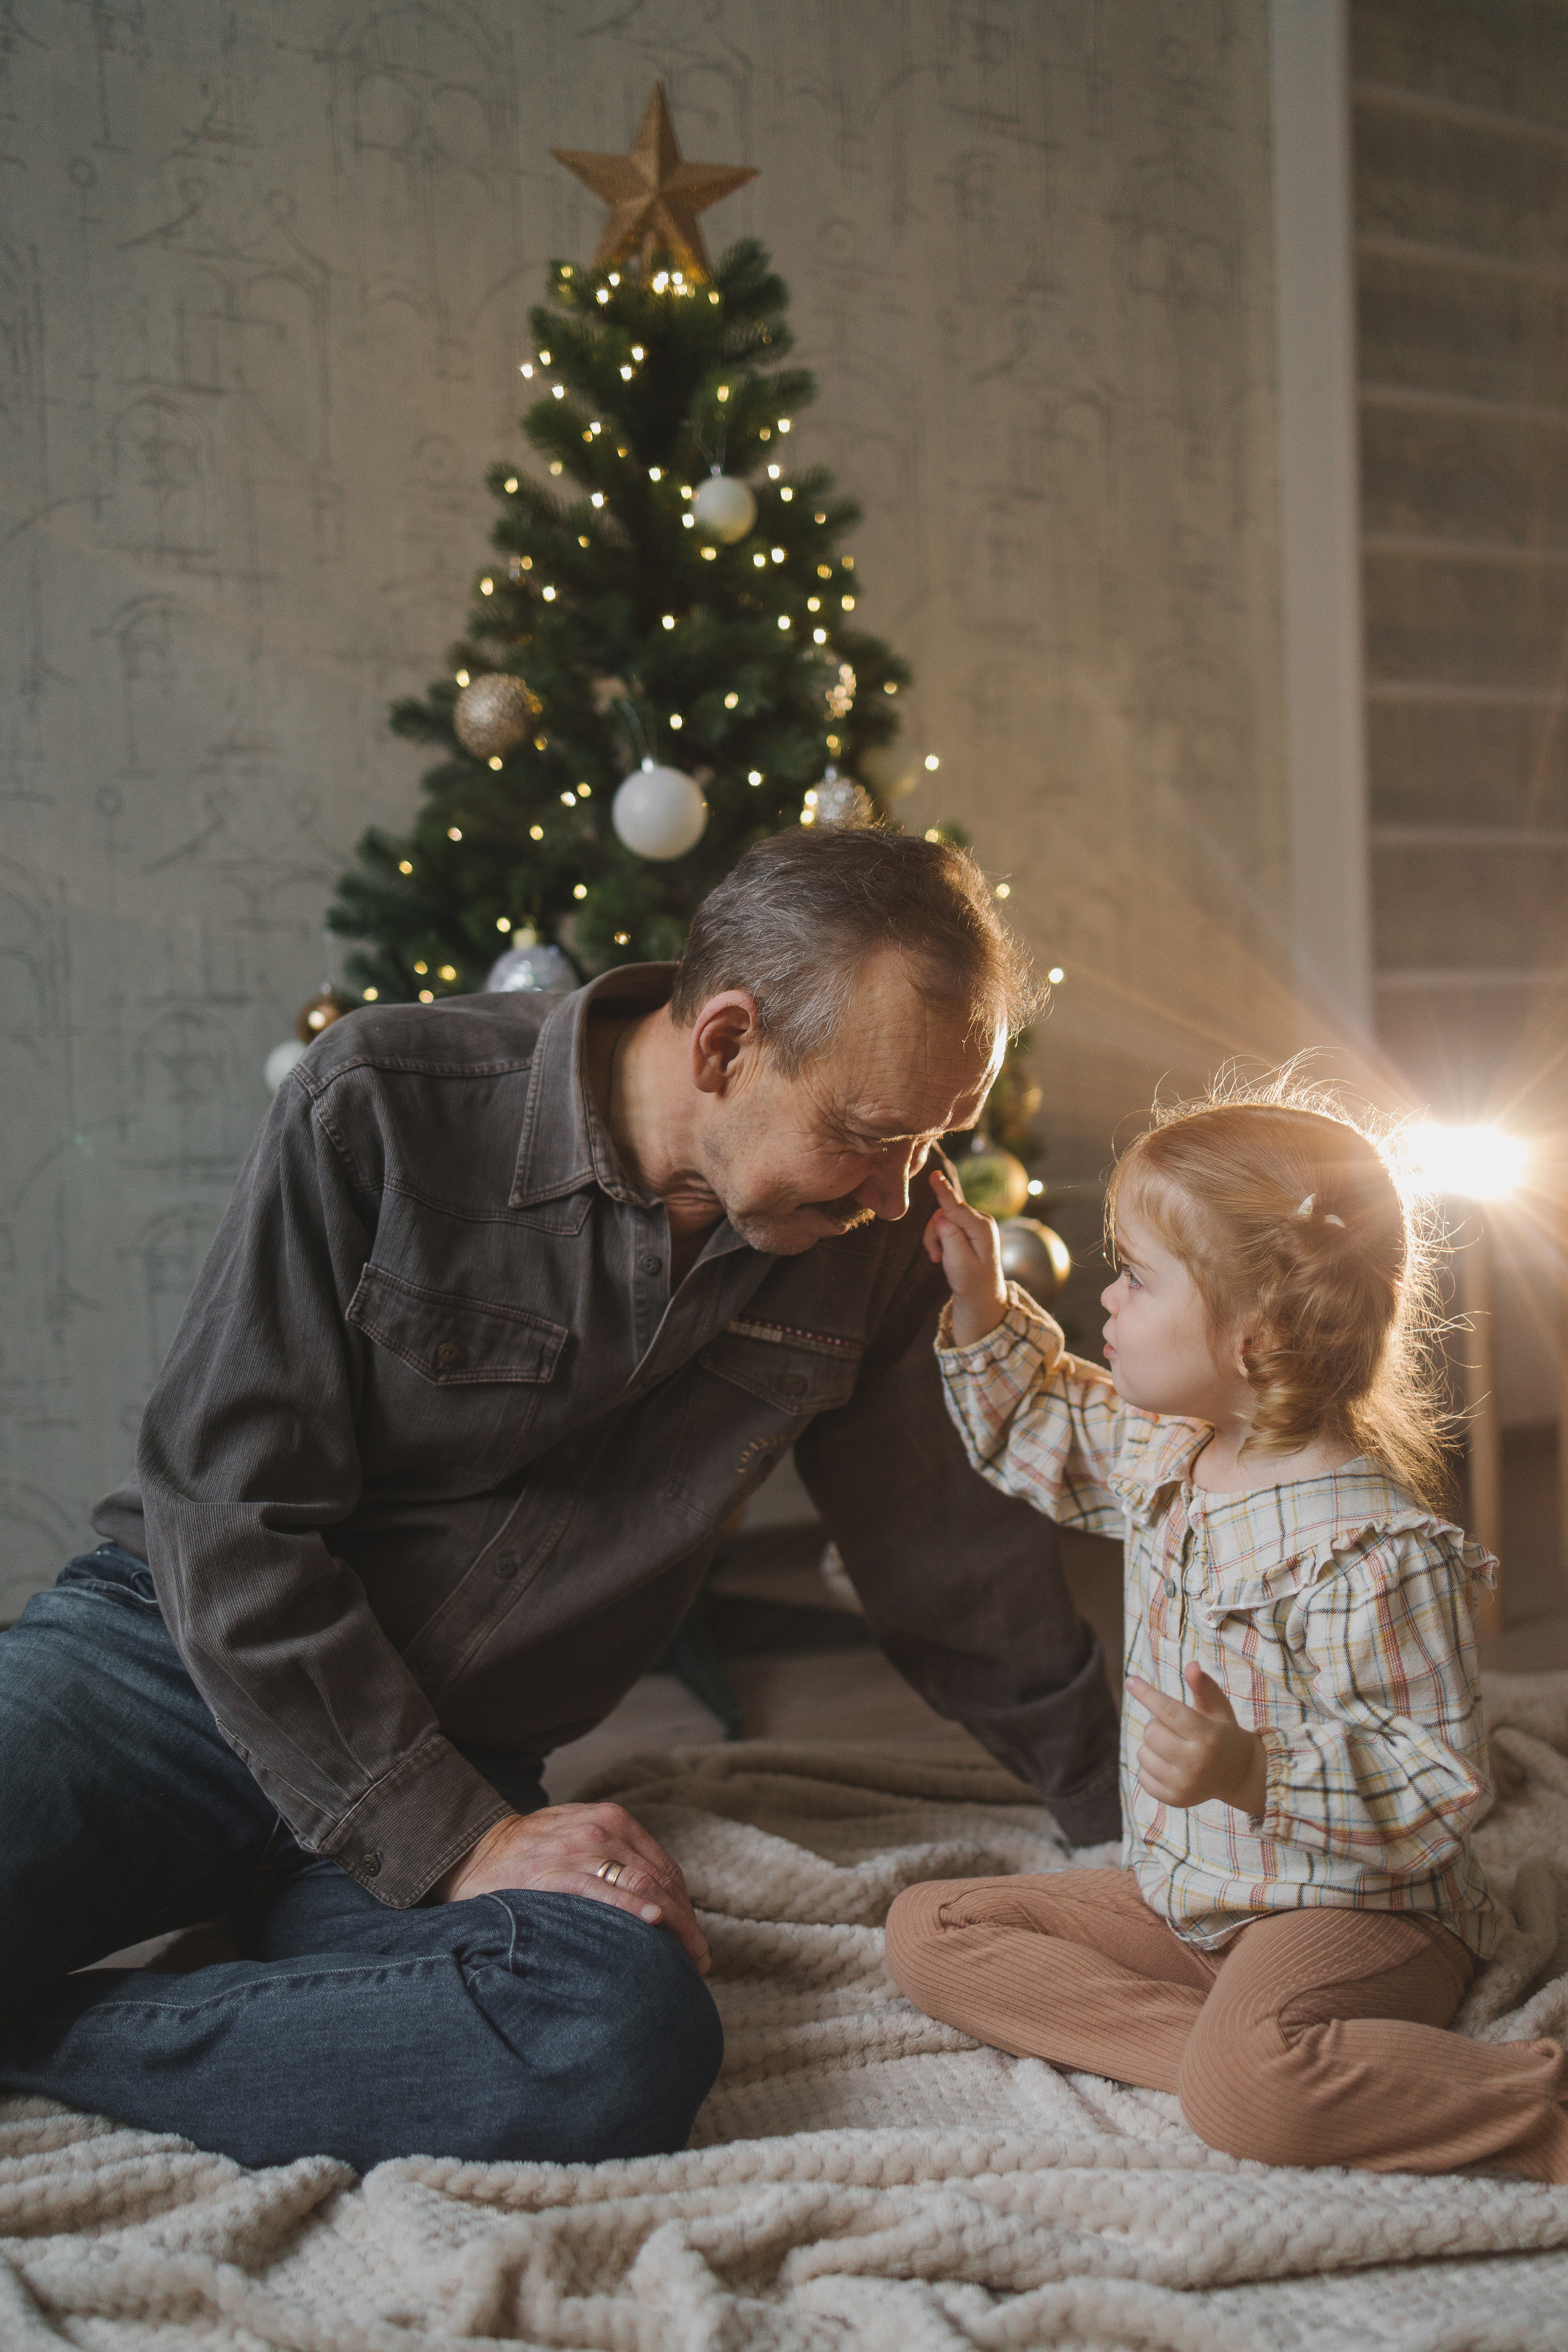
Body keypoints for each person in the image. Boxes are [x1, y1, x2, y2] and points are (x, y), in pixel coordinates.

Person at [0, 826, 1121, 2173]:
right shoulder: (382, 1101)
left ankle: (48, 2043)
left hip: (478, 1764)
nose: (900, 1190)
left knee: (608, 2036)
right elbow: (223, 1512)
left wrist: (1130, 1823)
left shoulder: (865, 1243)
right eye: (871, 1134)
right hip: (167, 1682)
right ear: (722, 1045)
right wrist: (450, 1833)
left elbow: (949, 1567)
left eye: (937, 1137)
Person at [887, 1086, 1568, 2180]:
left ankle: (1484, 2094)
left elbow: (1442, 1782)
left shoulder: (1368, 1546)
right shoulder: (1171, 1448)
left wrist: (1254, 1770)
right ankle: (1256, 2059)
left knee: (1252, 2097)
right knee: (932, 1930)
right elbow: (1048, 1420)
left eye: (1138, 1277)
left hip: (1354, 1912)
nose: (1106, 1298)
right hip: (1196, 1903)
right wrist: (979, 1300)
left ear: (1255, 1338)